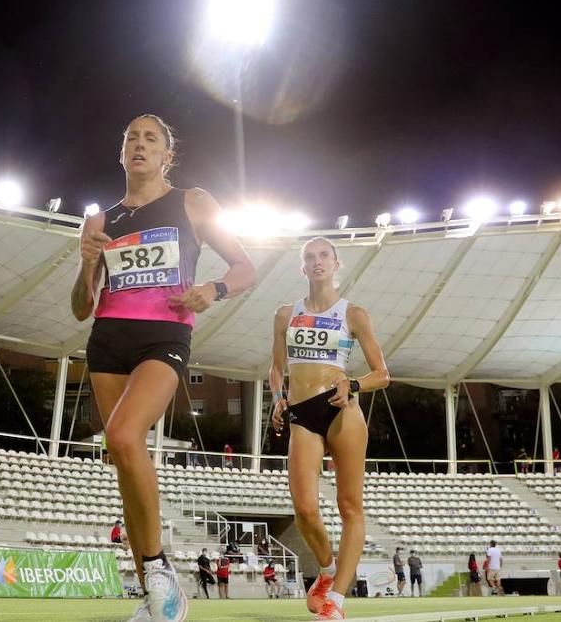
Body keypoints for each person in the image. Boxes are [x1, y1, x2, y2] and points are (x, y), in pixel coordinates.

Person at [72, 114, 256, 622]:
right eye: (131, 137)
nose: (139, 144)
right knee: (123, 463)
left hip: (164, 336)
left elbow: (245, 267)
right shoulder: (99, 221)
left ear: (166, 156)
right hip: (107, 340)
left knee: (123, 436)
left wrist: (213, 289)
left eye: (150, 138)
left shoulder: (194, 202)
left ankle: (157, 568)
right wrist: (86, 264)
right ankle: (156, 602)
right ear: (121, 152)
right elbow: (81, 308)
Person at [271, 237, 391, 621]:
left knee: (349, 506)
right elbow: (276, 368)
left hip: (342, 410)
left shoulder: (353, 314)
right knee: (305, 509)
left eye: (324, 256)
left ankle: (336, 601)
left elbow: (382, 374)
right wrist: (278, 397)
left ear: (336, 265)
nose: (317, 261)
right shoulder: (285, 314)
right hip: (301, 413)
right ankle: (326, 570)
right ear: (302, 267)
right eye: (310, 256)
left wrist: (353, 384)